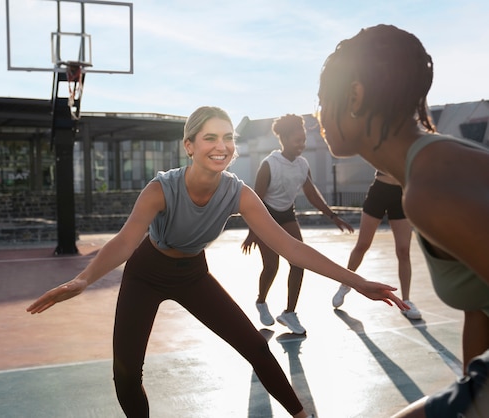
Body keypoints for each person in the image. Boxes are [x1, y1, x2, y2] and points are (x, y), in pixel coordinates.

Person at [27, 106, 408, 418]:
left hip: (192, 275)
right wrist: (83, 279)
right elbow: (127, 241)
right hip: (146, 274)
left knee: (257, 349)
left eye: (228, 137)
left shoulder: (238, 194)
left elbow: (292, 248)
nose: (221, 145)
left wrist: (355, 280)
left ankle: (302, 416)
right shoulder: (161, 188)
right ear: (189, 146)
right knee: (125, 375)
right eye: (210, 137)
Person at [317, 24, 489, 417]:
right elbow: (479, 306)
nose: (320, 116)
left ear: (355, 95)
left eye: (323, 101)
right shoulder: (434, 165)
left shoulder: (432, 188)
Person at [241, 114, 354, 334]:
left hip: (286, 214)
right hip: (265, 215)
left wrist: (333, 216)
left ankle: (289, 313)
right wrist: (252, 232)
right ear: (283, 138)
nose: (301, 144)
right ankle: (261, 301)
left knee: (298, 262)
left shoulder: (302, 165)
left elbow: (311, 194)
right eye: (297, 140)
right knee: (271, 266)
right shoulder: (269, 165)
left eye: (303, 140)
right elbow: (254, 202)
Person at [332, 170, 422, 320]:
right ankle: (345, 285)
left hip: (402, 192)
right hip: (380, 190)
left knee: (403, 250)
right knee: (362, 245)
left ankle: (406, 301)